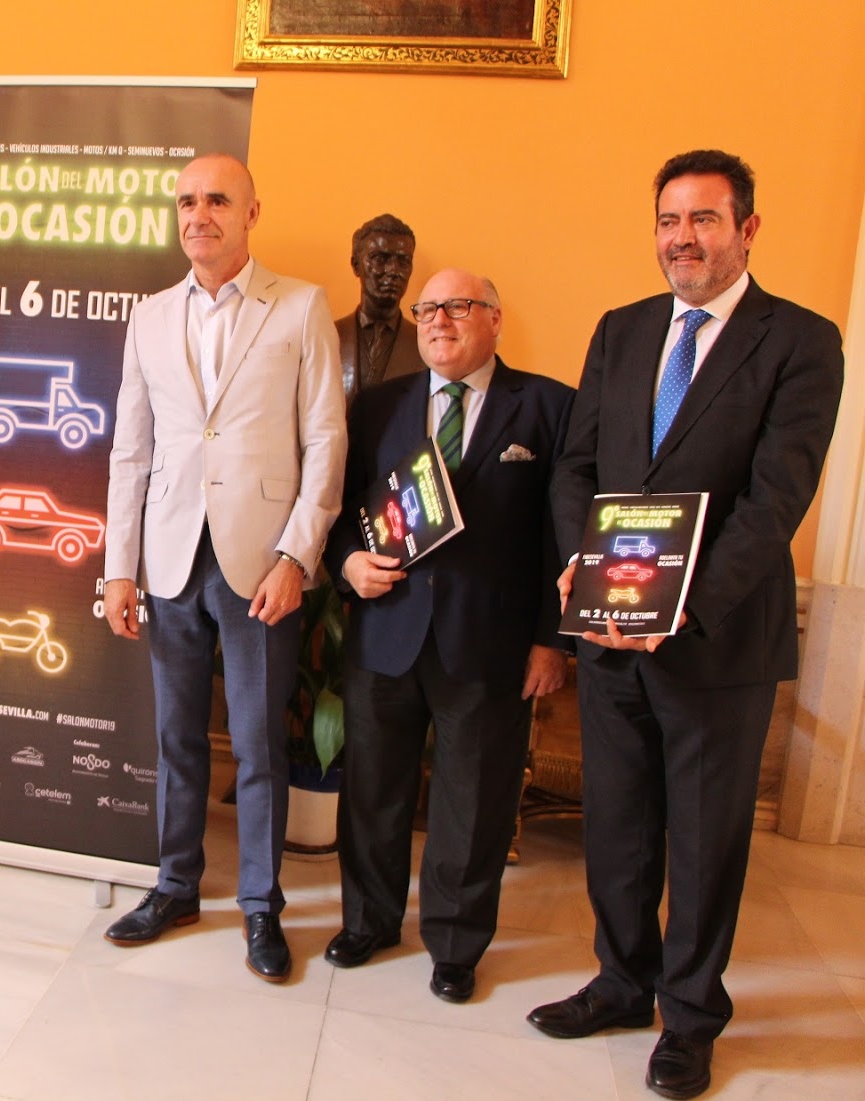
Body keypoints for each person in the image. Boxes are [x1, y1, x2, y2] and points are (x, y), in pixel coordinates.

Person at [534, 150, 844, 1100]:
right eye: (669, 220)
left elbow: (775, 500)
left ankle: (692, 1015)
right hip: (609, 632)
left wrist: (680, 606)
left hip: (717, 641)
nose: (683, 238)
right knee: (618, 823)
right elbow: (576, 468)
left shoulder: (802, 341)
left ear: (747, 229)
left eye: (704, 219)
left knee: (706, 841)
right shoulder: (622, 330)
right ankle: (622, 983)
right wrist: (582, 566)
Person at [101, 153, 345, 983]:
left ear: (251, 213)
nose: (197, 215)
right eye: (185, 201)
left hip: (261, 563)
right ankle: (175, 886)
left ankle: (260, 904)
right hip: (169, 556)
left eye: (215, 200)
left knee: (258, 742)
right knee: (176, 735)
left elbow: (326, 440)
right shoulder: (149, 316)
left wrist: (297, 555)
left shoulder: (301, 305)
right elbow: (131, 448)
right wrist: (119, 568)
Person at [322, 269, 573, 1003]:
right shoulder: (378, 406)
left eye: (458, 306)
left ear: (495, 317)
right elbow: (338, 506)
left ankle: (457, 945)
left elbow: (563, 535)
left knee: (475, 801)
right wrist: (347, 563)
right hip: (387, 631)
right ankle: (368, 921)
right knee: (373, 791)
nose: (438, 320)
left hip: (491, 645)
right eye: (427, 308)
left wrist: (551, 640)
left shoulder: (549, 406)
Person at [335, 214, 425, 398]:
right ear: (356, 265)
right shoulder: (329, 335)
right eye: (380, 259)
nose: (393, 271)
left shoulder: (425, 344)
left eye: (403, 261)